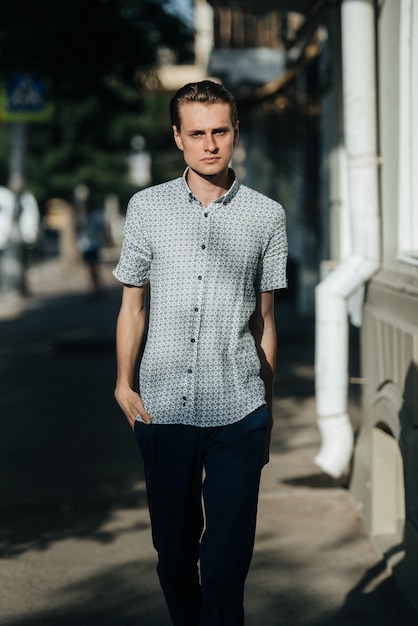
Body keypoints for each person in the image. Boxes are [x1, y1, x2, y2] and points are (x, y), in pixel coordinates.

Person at [113, 80, 287, 626]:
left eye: (219, 131)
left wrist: (268, 410)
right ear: (178, 138)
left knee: (226, 562)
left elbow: (265, 323)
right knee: (174, 558)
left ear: (235, 132)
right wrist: (123, 383)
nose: (210, 144)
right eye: (197, 133)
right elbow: (132, 306)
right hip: (164, 410)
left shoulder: (267, 216)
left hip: (240, 409)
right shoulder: (146, 208)